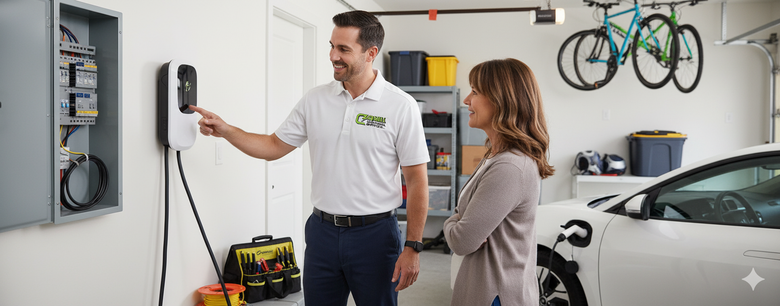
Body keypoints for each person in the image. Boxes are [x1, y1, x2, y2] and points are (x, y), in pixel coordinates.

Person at [190, 10, 429, 306]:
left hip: (375, 237)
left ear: (371, 53)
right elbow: (274, 146)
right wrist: (226, 130)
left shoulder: (400, 106)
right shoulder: (315, 100)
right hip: (322, 234)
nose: (333, 55)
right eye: (331, 45)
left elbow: (417, 181)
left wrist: (413, 247)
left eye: (343, 49)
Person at [443, 58, 554, 306]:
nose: (466, 100)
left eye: (475, 91)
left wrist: (454, 220)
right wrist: (460, 219)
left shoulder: (510, 166)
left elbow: (462, 240)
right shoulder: (496, 157)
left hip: (496, 295)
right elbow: (466, 229)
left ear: (501, 100)